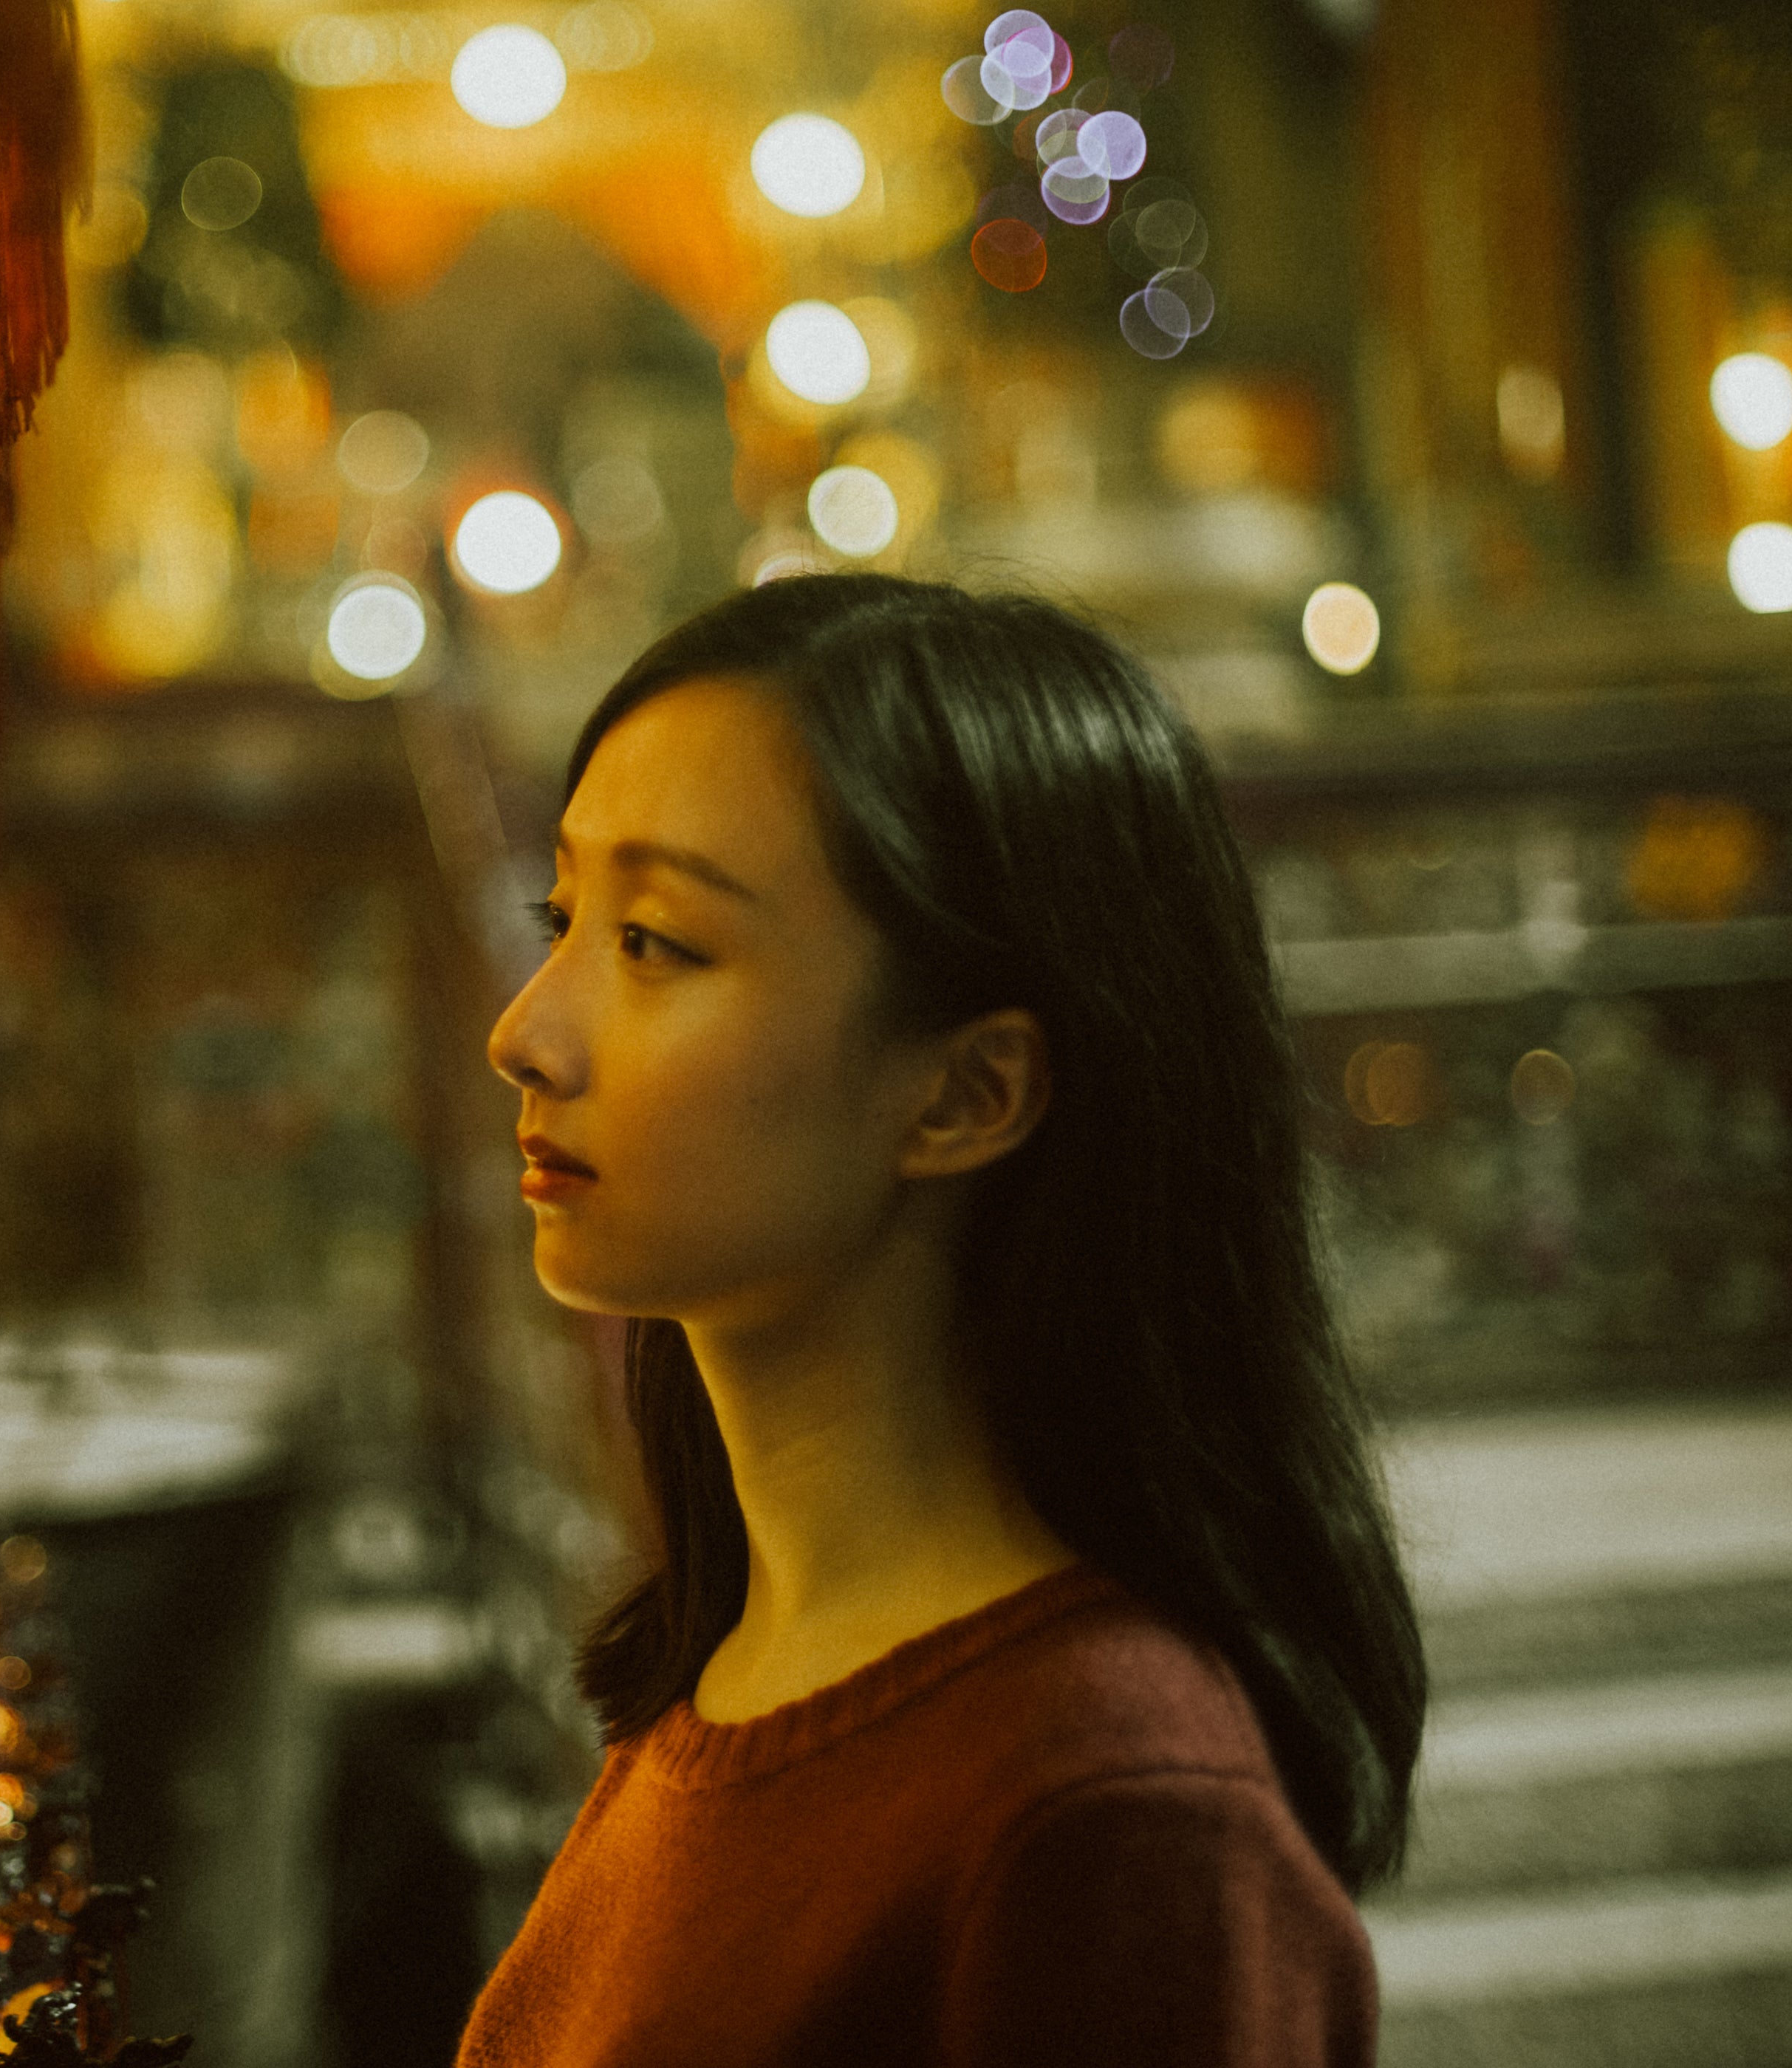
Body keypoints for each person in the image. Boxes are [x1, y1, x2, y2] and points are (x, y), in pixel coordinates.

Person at [462, 575, 1423, 2067]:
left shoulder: (1107, 1802)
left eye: (655, 942)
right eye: (562, 912)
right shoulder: (740, 1675)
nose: (524, 1029)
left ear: (969, 1092)